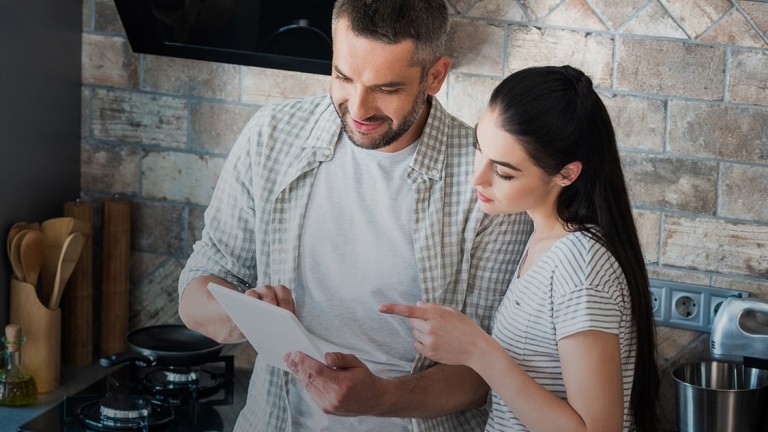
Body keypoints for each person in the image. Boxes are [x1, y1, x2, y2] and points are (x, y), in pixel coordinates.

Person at [177, 0, 532, 430]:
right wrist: (246, 316)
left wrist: (382, 398)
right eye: (343, 77)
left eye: (386, 88)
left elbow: (486, 373)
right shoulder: (271, 135)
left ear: (435, 76)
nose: (359, 109)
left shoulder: (486, 177)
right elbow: (197, 289)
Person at [381, 65, 660, 432]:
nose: (477, 177)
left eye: (505, 173)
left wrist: (479, 350)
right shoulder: (544, 241)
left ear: (567, 174)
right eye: (479, 148)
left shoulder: (581, 264)